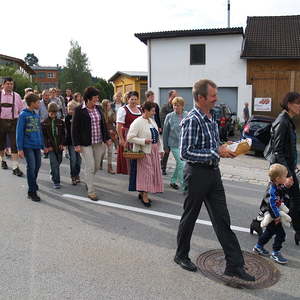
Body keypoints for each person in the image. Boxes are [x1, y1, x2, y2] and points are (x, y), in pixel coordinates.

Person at [174, 79, 255, 282]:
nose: (216, 99)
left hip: (213, 173)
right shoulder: (192, 119)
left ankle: (234, 266)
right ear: (200, 98)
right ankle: (181, 255)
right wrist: (215, 151)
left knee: (222, 219)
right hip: (197, 174)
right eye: (213, 96)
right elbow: (185, 152)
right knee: (189, 217)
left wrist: (226, 147)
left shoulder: (211, 116)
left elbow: (212, 145)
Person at [264, 92, 300, 245]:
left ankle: (259, 223)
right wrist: (287, 175)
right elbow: (278, 151)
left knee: (273, 197)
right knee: (295, 199)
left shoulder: (288, 121)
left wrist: (294, 164)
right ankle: (298, 230)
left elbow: (287, 149)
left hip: (285, 168)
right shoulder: (283, 122)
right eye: (298, 103)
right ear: (290, 104)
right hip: (281, 170)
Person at [72, 87, 111, 201]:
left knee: (97, 166)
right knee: (90, 165)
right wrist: (76, 144)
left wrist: (107, 138)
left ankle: (88, 180)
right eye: (95, 97)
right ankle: (91, 191)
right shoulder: (79, 110)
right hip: (85, 143)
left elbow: (103, 124)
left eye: (98, 97)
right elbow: (74, 128)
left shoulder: (98, 108)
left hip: (98, 142)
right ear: (88, 98)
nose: (97, 99)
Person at [127, 101, 164, 207]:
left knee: (150, 173)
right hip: (144, 151)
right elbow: (129, 137)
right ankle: (144, 196)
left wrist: (160, 149)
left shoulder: (152, 121)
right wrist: (143, 141)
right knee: (147, 174)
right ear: (146, 110)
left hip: (154, 151)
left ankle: (142, 192)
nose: (154, 113)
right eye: (152, 111)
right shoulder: (137, 122)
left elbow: (157, 138)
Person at [253, 164, 291, 264]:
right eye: (285, 176)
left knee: (269, 232)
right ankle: (275, 253)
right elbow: (272, 205)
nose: (286, 178)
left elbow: (281, 192)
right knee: (281, 234)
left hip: (273, 214)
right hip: (273, 215)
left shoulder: (276, 185)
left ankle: (258, 247)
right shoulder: (272, 189)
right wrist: (276, 216)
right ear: (278, 178)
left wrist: (286, 187)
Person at [16, 93, 45, 202]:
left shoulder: (36, 115)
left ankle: (33, 182)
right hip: (27, 146)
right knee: (31, 167)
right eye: (38, 102)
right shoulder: (23, 115)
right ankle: (32, 191)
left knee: (37, 166)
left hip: (37, 145)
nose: (39, 104)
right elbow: (19, 132)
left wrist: (42, 144)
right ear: (32, 103)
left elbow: (39, 131)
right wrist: (20, 149)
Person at [0, 77, 24, 176]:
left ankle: (15, 167)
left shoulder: (17, 96)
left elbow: (21, 110)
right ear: (3, 85)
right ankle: (3, 160)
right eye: (8, 84)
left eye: (11, 84)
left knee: (14, 145)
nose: (10, 85)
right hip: (0, 122)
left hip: (14, 123)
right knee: (1, 144)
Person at [163, 96, 188, 190]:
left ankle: (173, 181)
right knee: (182, 164)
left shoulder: (187, 115)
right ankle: (184, 185)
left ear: (182, 106)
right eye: (174, 105)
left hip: (184, 145)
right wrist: (165, 146)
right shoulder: (169, 116)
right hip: (173, 144)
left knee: (179, 164)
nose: (175, 107)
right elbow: (165, 132)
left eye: (178, 105)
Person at [116, 91, 142, 174]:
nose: (134, 101)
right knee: (130, 157)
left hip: (138, 136)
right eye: (132, 99)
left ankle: (137, 173)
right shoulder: (123, 109)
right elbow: (119, 125)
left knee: (139, 155)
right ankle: (132, 175)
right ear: (128, 99)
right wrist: (121, 138)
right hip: (127, 135)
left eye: (135, 99)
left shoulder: (140, 108)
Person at [42, 103, 65, 189]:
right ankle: (56, 181)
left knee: (59, 161)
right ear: (48, 112)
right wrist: (47, 146)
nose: (53, 114)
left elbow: (63, 134)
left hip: (59, 146)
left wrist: (62, 143)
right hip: (50, 147)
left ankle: (53, 171)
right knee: (54, 163)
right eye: (51, 113)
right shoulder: (44, 123)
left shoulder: (60, 122)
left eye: (55, 113)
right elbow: (43, 136)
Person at [160, 89, 177, 175]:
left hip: (176, 133)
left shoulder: (177, 106)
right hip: (168, 133)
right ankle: (163, 168)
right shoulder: (165, 107)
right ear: (170, 97)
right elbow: (163, 121)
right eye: (174, 96)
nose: (175, 98)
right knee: (166, 151)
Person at [65, 101, 82, 185]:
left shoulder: (79, 117)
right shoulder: (67, 118)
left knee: (79, 160)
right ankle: (73, 176)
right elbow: (67, 131)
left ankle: (77, 174)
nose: (70, 110)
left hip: (79, 142)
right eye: (69, 109)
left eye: (72, 109)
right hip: (71, 142)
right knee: (73, 160)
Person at [100, 99, 117, 174]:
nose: (110, 106)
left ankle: (109, 167)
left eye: (110, 104)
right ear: (104, 105)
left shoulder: (112, 112)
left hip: (111, 132)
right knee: (103, 152)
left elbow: (115, 121)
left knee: (110, 151)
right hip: (103, 133)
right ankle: (100, 162)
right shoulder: (101, 113)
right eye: (108, 104)